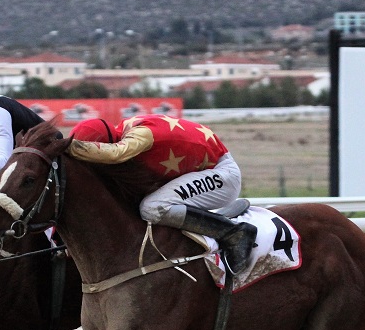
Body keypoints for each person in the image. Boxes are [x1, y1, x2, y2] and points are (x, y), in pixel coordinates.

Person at [69, 114, 257, 274]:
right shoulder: (122, 131)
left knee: (152, 208)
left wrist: (67, 147)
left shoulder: (139, 136)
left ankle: (234, 233)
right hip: (203, 169)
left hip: (222, 175)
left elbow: (115, 154)